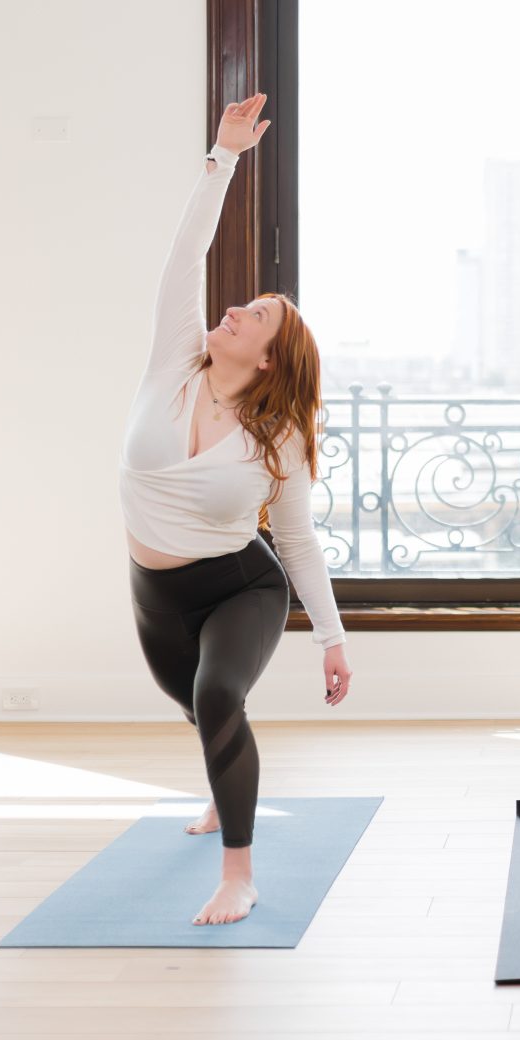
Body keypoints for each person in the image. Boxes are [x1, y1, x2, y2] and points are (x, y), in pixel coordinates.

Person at [121, 95, 352, 927]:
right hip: (155, 593)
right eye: (241, 304)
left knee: (218, 696)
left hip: (241, 588)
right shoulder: (171, 367)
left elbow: (294, 537)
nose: (233, 310)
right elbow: (185, 257)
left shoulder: (280, 435)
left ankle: (239, 873)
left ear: (270, 354)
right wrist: (222, 158)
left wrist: (331, 637)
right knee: (194, 704)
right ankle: (225, 788)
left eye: (255, 315)